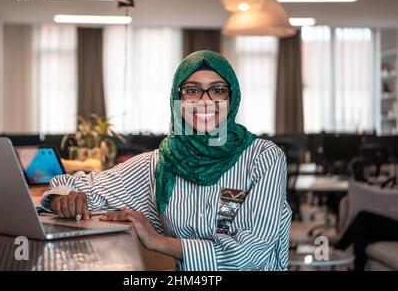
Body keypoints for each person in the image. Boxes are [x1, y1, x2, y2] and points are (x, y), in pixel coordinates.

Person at [41, 50, 292, 271]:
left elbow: (252, 254)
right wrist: (64, 199)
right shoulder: (160, 163)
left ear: (232, 98)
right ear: (178, 100)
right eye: (192, 91)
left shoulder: (263, 157)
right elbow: (69, 184)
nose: (205, 101)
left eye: (218, 90)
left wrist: (158, 241)